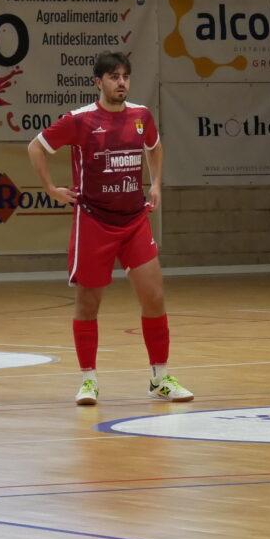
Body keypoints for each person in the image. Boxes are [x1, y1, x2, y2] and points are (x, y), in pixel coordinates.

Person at [26, 51, 193, 406]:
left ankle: (159, 379)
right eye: (114, 77)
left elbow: (155, 147)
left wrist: (156, 184)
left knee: (154, 297)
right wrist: (50, 189)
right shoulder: (80, 120)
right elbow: (36, 147)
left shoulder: (140, 116)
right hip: (94, 221)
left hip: (134, 220)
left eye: (125, 77)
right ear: (98, 81)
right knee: (88, 303)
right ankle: (88, 380)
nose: (121, 83)